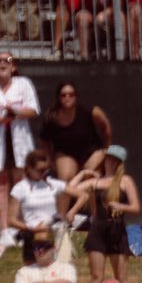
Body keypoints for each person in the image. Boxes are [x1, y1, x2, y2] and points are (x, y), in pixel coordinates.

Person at [65, 144, 140, 283]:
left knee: (122, 278)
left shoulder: (125, 181)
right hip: (98, 230)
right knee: (96, 277)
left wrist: (122, 207)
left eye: (114, 160)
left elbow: (135, 207)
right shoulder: (95, 181)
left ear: (119, 163)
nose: (110, 162)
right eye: (108, 158)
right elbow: (70, 189)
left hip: (117, 230)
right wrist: (83, 174)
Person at [0, 52, 40, 243]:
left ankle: (19, 226)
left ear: (14, 66)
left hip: (19, 141)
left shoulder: (24, 83)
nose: (3, 63)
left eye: (7, 60)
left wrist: (14, 112)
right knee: (0, 185)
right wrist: (9, 116)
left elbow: (33, 109)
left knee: (21, 184)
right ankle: (3, 229)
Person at [39, 81, 112, 213]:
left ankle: (95, 219)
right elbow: (44, 140)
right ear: (58, 97)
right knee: (65, 177)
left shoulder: (90, 111)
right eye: (64, 95)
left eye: (71, 95)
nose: (67, 98)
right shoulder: (51, 116)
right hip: (66, 152)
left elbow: (106, 128)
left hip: (91, 150)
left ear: (76, 96)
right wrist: (49, 159)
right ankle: (62, 219)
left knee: (91, 175)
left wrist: (106, 149)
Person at [6, 149, 67, 266]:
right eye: (40, 170)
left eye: (46, 170)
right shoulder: (20, 188)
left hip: (53, 233)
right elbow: (11, 220)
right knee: (31, 274)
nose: (44, 173)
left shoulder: (50, 184)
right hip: (32, 235)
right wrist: (31, 228)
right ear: (29, 169)